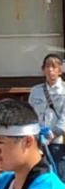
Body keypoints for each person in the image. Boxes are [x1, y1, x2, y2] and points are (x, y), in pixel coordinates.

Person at [28, 54, 65, 182]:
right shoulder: (35, 91)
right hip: (38, 142)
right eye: (47, 66)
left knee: (60, 177)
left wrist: (52, 134)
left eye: (54, 67)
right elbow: (30, 114)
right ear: (43, 69)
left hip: (58, 142)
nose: (50, 70)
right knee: (40, 177)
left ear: (60, 70)